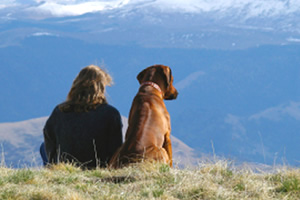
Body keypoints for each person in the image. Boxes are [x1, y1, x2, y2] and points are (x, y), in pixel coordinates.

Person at [40, 65, 123, 169]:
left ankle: (51, 169)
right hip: (97, 166)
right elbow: (116, 148)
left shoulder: (60, 111)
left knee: (43, 147)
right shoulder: (111, 114)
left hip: (65, 166)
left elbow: (49, 137)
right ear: (101, 87)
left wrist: (54, 163)